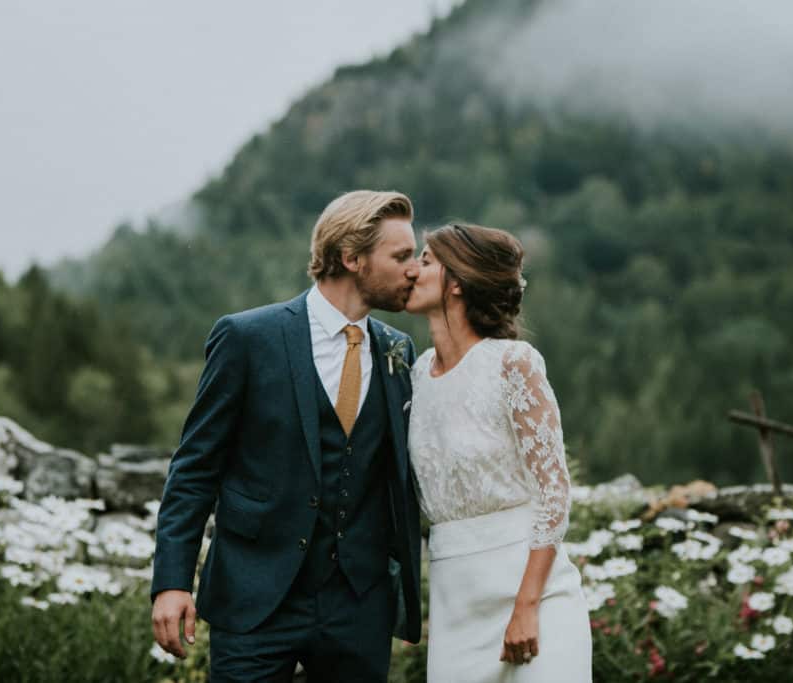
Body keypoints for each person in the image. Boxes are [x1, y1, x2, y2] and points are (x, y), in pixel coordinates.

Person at [150, 190, 424, 682]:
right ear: (352, 258)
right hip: (256, 594)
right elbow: (194, 469)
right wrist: (172, 583)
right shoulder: (247, 338)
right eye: (401, 256)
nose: (415, 269)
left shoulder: (398, 350)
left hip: (358, 606)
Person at [405, 222, 592, 682]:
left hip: (536, 599)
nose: (411, 270)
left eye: (425, 261)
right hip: (456, 607)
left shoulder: (513, 363)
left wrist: (526, 606)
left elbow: (554, 492)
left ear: (456, 282)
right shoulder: (413, 375)